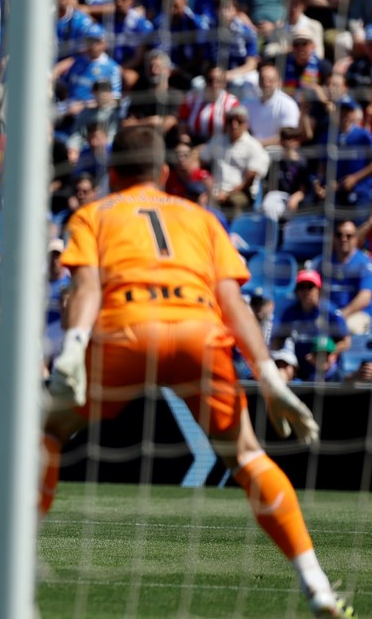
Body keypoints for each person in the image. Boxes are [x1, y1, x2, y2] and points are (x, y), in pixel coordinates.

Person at [35, 125, 352, 618]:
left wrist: (73, 347)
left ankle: (9, 579)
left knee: (46, 433)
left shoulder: (93, 213)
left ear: (112, 174)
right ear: (164, 173)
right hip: (198, 334)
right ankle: (317, 584)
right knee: (247, 456)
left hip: (127, 329)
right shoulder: (201, 217)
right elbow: (233, 302)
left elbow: (87, 287)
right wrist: (268, 375)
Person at [270, 269, 352, 383]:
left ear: (318, 290)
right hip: (298, 367)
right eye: (302, 287)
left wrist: (329, 354)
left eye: (310, 287)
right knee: (281, 370)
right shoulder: (290, 314)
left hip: (326, 368)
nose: (306, 291)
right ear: (297, 291)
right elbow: (278, 341)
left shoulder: (330, 312)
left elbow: (346, 342)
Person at [308, 220, 372, 335]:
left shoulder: (365, 263)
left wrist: (341, 315)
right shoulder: (322, 262)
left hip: (356, 313)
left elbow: (365, 297)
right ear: (333, 237)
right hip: (327, 313)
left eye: (349, 236)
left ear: (356, 238)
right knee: (311, 328)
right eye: (339, 235)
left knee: (349, 328)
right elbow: (311, 290)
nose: (344, 239)